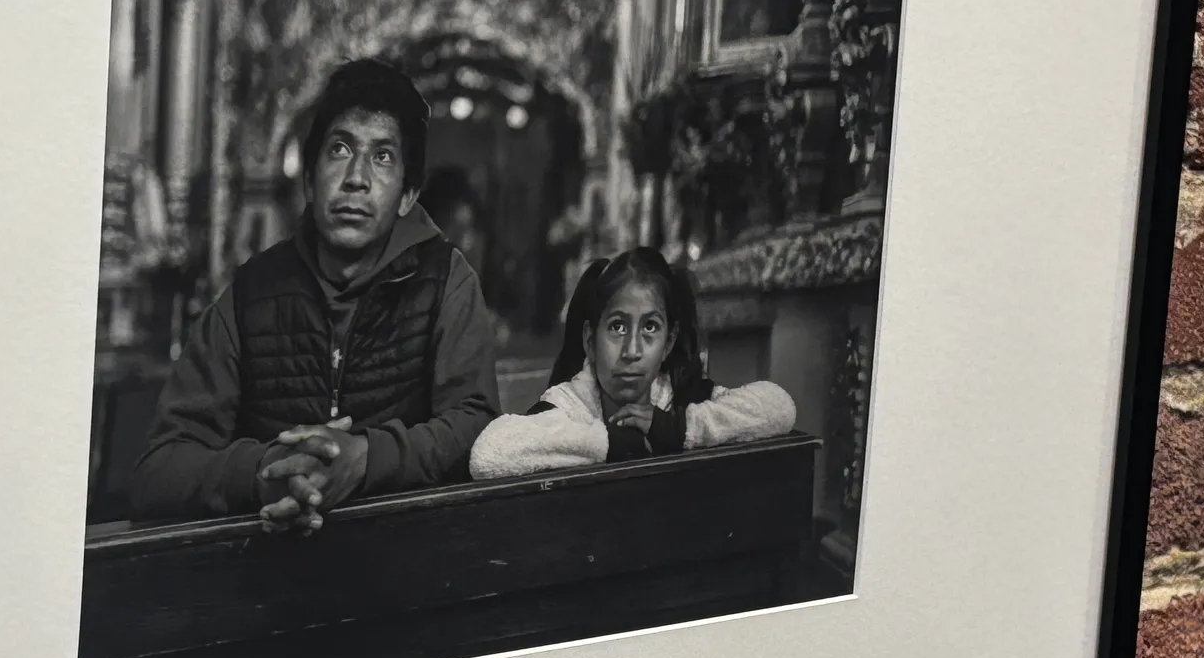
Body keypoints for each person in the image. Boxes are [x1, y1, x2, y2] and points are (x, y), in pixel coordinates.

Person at [131, 59, 499, 530]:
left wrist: (366, 458)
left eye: (383, 156)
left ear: (408, 195)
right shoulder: (251, 295)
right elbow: (158, 470)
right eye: (340, 149)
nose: (357, 178)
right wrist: (272, 473)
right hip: (265, 579)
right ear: (308, 178)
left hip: (408, 567)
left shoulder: (447, 281)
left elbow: (477, 430)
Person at [470, 248, 796, 479]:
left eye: (650, 328)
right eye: (617, 327)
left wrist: (678, 430)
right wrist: (611, 442)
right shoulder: (569, 405)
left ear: (668, 342)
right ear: (589, 341)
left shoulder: (678, 399)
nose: (632, 350)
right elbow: (489, 454)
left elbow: (779, 408)